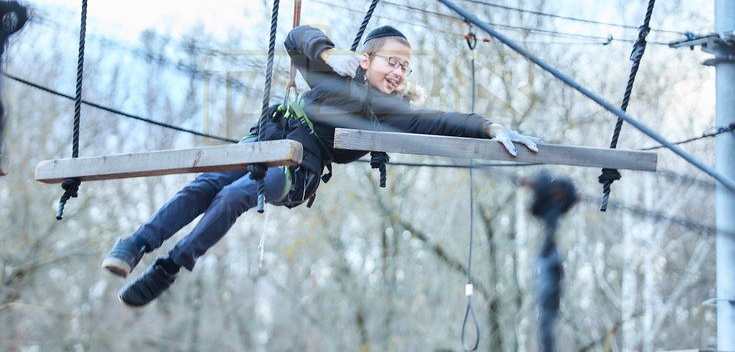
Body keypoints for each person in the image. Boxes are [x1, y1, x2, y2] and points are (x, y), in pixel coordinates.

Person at [102, 24, 540, 307]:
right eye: (393, 62)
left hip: (296, 168)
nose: (399, 73)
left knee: (236, 194)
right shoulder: (333, 75)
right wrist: (328, 54)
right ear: (366, 58)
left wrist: (489, 126)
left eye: (405, 68)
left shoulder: (390, 110)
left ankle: (171, 266)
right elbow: (296, 38)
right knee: (206, 184)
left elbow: (443, 121)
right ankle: (137, 243)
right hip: (265, 141)